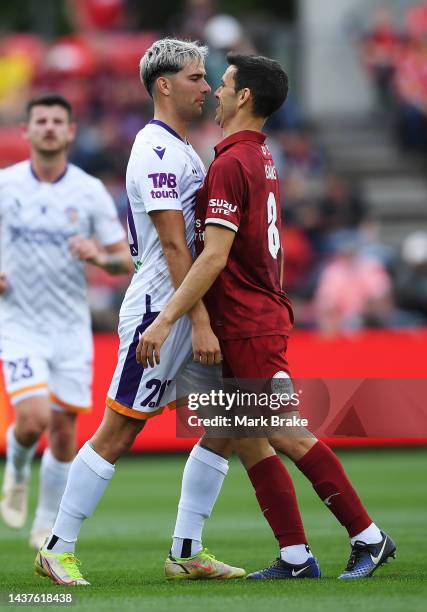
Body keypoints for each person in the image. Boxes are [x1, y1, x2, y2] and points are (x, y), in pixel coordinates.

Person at [137, 53, 397, 580]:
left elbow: (213, 255)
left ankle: (368, 536)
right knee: (250, 435)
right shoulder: (257, 156)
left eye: (226, 83)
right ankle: (296, 558)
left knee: (285, 433)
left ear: (245, 98)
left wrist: (166, 320)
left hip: (250, 320)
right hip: (250, 316)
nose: (215, 91)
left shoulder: (233, 164)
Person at [35, 39, 245, 586]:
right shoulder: (154, 150)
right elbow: (175, 248)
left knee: (226, 422)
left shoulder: (179, 146)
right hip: (162, 309)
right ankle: (57, 546)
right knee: (120, 430)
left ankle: (186, 549)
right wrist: (194, 319)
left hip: (181, 304)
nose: (207, 86)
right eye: (197, 78)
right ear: (165, 85)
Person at [0, 93, 133, 550]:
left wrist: (100, 256)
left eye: (59, 121)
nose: (50, 127)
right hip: (18, 323)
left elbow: (125, 260)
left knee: (62, 432)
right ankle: (16, 468)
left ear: (71, 131)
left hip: (70, 330)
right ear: (27, 130)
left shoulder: (89, 191)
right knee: (33, 419)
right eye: (42, 120)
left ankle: (44, 522)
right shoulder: (6, 185)